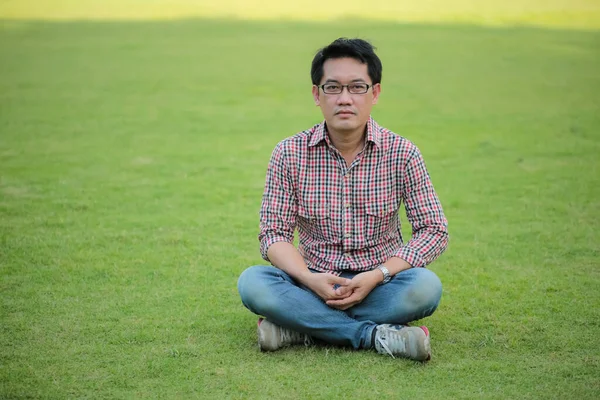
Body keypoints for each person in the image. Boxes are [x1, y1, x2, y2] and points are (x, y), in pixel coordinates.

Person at [237, 38, 448, 361]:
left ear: (375, 93)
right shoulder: (289, 153)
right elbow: (273, 234)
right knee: (253, 283)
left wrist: (377, 275)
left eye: (357, 87)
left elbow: (434, 230)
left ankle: (300, 327)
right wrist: (308, 278)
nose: (345, 98)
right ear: (316, 95)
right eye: (332, 87)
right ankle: (374, 335)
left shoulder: (402, 153)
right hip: (311, 285)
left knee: (425, 287)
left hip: (381, 285)